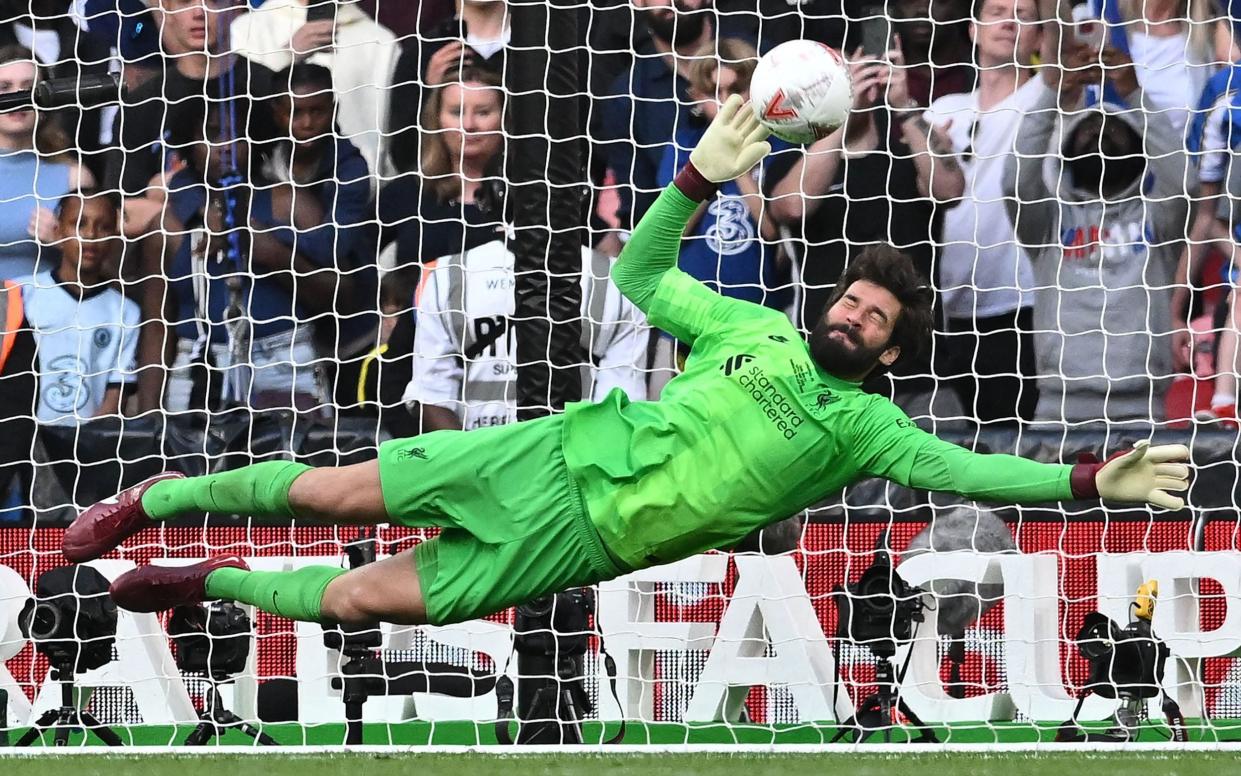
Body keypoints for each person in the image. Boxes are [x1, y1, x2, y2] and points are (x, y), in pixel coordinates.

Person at [70, 97, 1191, 629]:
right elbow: (647, 277)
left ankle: (197, 578)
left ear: (891, 347)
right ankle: (154, 496)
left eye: (870, 314)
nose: (848, 312)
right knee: (324, 489)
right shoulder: (752, 326)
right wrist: (695, 179)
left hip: (585, 539)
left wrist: (1086, 481)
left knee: (364, 600)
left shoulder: (865, 429)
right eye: (847, 294)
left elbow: (969, 472)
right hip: (548, 453)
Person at [1006, 34, 1190, 425]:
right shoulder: (1048, 223)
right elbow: (1015, 184)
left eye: (1112, 132)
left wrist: (1133, 92)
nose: (1100, 136)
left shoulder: (1160, 220)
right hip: (1059, 405)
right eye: (1088, 132)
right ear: (1069, 153)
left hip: (1142, 408)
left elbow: (1184, 182)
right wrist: (1054, 94)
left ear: (1139, 155)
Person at [136, 95, 344, 414]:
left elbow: (341, 298)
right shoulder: (168, 226)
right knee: (199, 464)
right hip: (197, 362)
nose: (227, 145)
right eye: (213, 133)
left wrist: (277, 256)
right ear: (190, 144)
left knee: (299, 463)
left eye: (238, 133)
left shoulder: (290, 204)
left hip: (285, 355)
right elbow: (157, 326)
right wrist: (148, 414)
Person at [405, 185, 649, 432]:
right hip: (573, 456)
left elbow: (431, 398)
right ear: (583, 196)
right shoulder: (617, 281)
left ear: (492, 198)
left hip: (480, 454)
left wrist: (474, 466)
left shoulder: (445, 274)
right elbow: (619, 406)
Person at [918, 0, 1045, 424]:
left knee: (1015, 442)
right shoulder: (943, 109)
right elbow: (927, 194)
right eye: (996, 11)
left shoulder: (1046, 98)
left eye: (1024, 15)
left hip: (1021, 301)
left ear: (1041, 35)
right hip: (950, 305)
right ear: (972, 29)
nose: (1009, 21)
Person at [109, 0, 276, 237]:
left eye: (213, 1)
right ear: (166, 9)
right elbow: (123, 212)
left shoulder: (268, 88)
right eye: (185, 1)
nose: (199, 12)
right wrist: (194, 210)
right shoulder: (141, 104)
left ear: (236, 6)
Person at [230, 0, 399, 185]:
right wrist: (286, 57)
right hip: (264, 191)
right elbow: (238, 110)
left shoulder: (380, 41)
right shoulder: (245, 30)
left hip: (358, 191)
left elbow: (387, 139)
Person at [17, 190, 139, 425]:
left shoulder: (126, 312)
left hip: (86, 448)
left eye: (103, 227)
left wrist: (85, 443)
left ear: (115, 238)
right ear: (58, 232)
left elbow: (116, 396)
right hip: (23, 441)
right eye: (79, 224)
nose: (91, 235)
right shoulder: (21, 293)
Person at [377, 67, 506, 271]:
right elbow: (355, 258)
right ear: (437, 119)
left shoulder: (529, 195)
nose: (468, 124)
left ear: (504, 119)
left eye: (483, 112)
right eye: (457, 112)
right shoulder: (409, 191)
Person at [0, 46, 94, 280]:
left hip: (47, 312)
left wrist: (63, 242)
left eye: (28, 88)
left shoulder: (73, 176)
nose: (18, 97)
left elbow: (106, 270)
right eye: (5, 87)